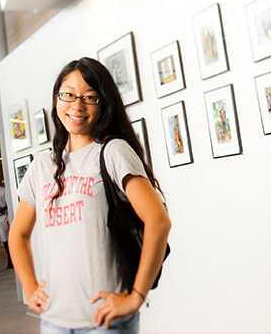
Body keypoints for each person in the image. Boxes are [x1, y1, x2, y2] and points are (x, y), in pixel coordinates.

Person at [9, 57, 171, 333]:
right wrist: (30, 287)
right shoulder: (41, 166)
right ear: (56, 99)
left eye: (90, 97)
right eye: (68, 94)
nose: (77, 105)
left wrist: (136, 297)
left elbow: (159, 221)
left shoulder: (112, 151)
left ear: (104, 104)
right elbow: (18, 234)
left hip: (103, 323)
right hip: (54, 321)